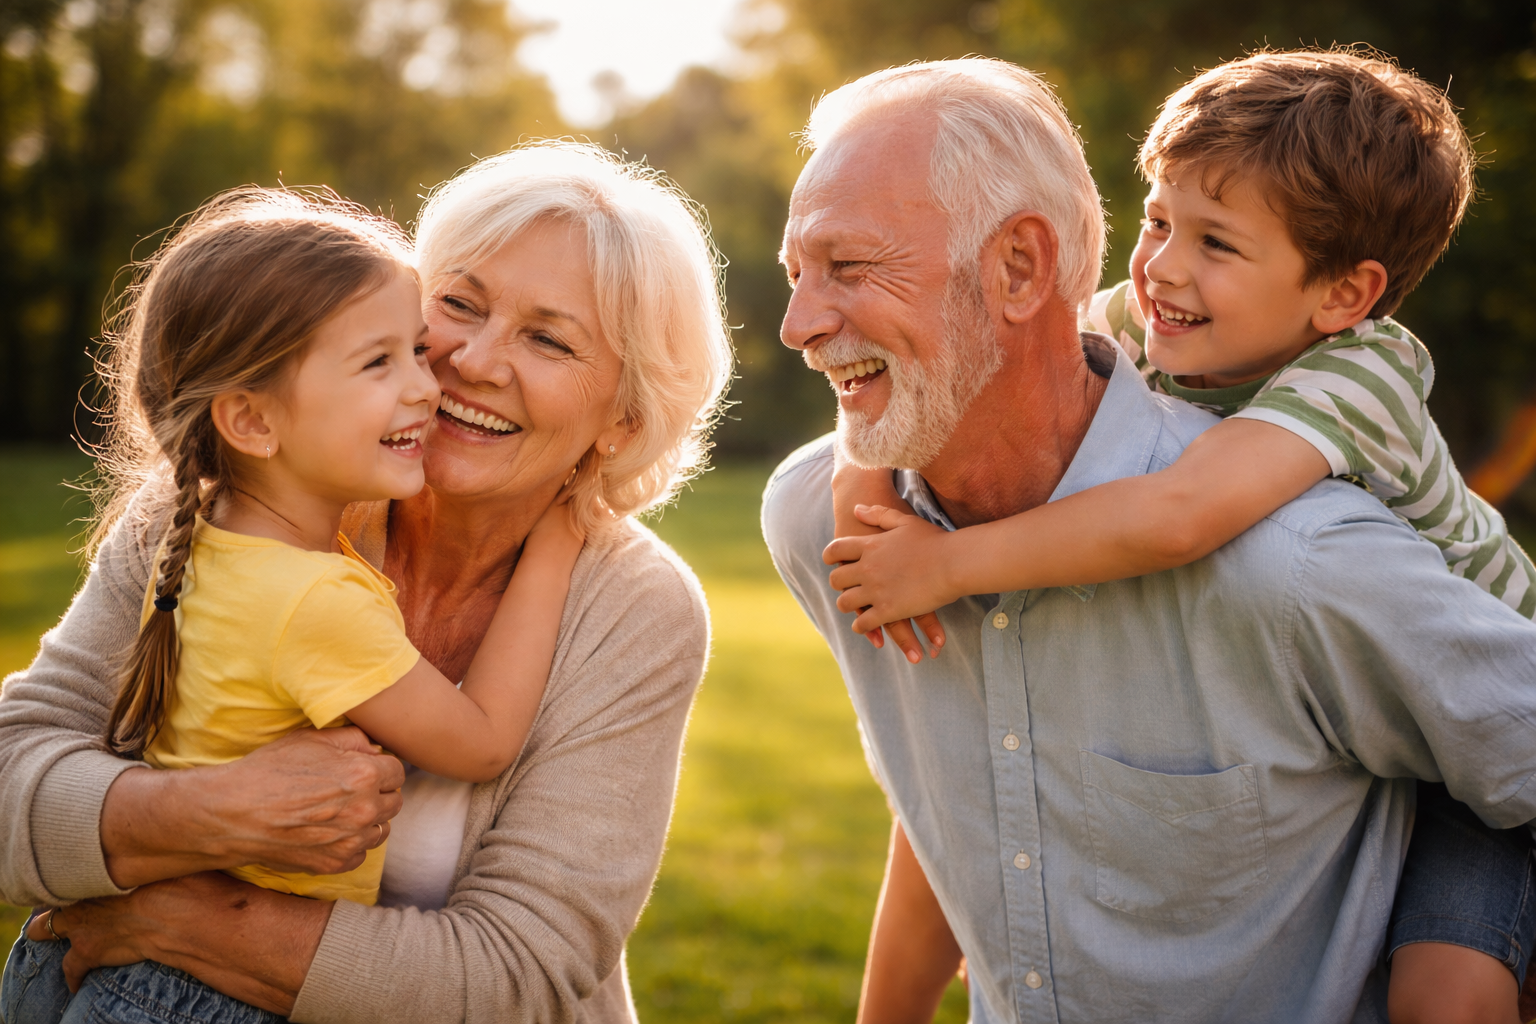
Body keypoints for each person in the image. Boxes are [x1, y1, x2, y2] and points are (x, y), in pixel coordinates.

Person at [761, 57, 1536, 1023]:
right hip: (1389, 708)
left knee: (1450, 1000)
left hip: (1484, 735)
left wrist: (946, 565)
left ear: (1343, 294)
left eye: (852, 264)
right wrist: (861, 477)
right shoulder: (1154, 316)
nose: (1163, 262)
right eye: (1161, 220)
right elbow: (961, 348)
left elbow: (1180, 516)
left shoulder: (1347, 419)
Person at [0, 140, 731, 1023]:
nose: (473, 361)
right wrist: (205, 812)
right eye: (457, 303)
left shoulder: (636, 609)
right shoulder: (224, 502)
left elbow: (521, 966)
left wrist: (191, 919)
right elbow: (13, 778)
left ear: (626, 416)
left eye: (547, 338)